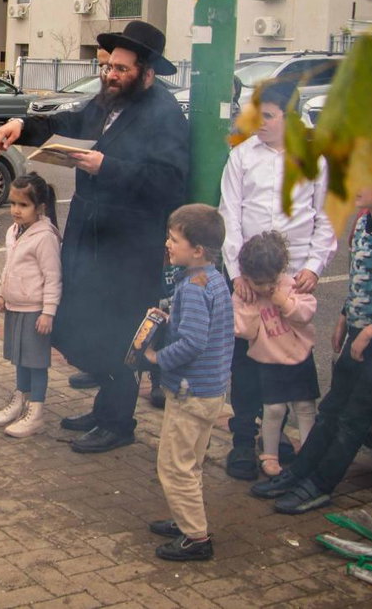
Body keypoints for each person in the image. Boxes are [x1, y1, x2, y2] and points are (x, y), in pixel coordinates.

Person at [0, 20, 189, 455]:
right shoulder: (110, 101)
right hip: (88, 235)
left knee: (119, 332)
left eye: (120, 68)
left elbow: (172, 182)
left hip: (128, 246)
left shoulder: (165, 115)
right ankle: (105, 408)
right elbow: (70, 118)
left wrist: (108, 167)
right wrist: (23, 126)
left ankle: (119, 422)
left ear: (147, 73)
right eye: (109, 67)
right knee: (79, 323)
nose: (110, 75)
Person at [251, 154, 372, 515]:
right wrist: (345, 317)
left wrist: (371, 332)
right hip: (359, 334)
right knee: (331, 410)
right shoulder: (362, 226)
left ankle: (320, 484)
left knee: (352, 420)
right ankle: (298, 472)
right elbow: (360, 281)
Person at [218, 80, 336, 480]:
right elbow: (229, 217)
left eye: (268, 116)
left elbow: (325, 219)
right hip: (249, 280)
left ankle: (283, 440)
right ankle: (242, 442)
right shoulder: (242, 157)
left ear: (290, 116)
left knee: (290, 362)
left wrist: (314, 267)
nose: (259, 123)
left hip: (291, 281)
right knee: (246, 362)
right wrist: (237, 274)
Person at [144, 204, 232, 563]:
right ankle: (187, 520)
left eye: (175, 239)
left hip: (189, 392)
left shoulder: (193, 288)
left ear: (197, 250)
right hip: (210, 391)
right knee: (191, 462)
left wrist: (156, 358)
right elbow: (204, 331)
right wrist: (172, 317)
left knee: (173, 466)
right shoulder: (212, 278)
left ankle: (196, 537)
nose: (168, 243)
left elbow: (193, 342)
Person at [231, 231, 318, 478]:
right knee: (274, 409)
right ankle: (269, 455)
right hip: (268, 361)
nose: (266, 288)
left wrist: (284, 301)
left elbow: (307, 313)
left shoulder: (289, 285)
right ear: (246, 277)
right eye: (258, 283)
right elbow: (244, 331)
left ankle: (309, 454)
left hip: (299, 355)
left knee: (305, 406)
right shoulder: (243, 295)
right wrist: (248, 306)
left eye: (271, 281)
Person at [0, 172, 62, 438]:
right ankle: (20, 400)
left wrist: (48, 312)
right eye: (13, 203)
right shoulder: (13, 231)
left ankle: (36, 411)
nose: (15, 210)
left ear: (39, 207)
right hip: (15, 307)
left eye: (23, 205)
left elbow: (53, 277)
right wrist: (1, 293)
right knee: (20, 358)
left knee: (36, 362)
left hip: (35, 312)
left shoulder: (46, 237)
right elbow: (9, 266)